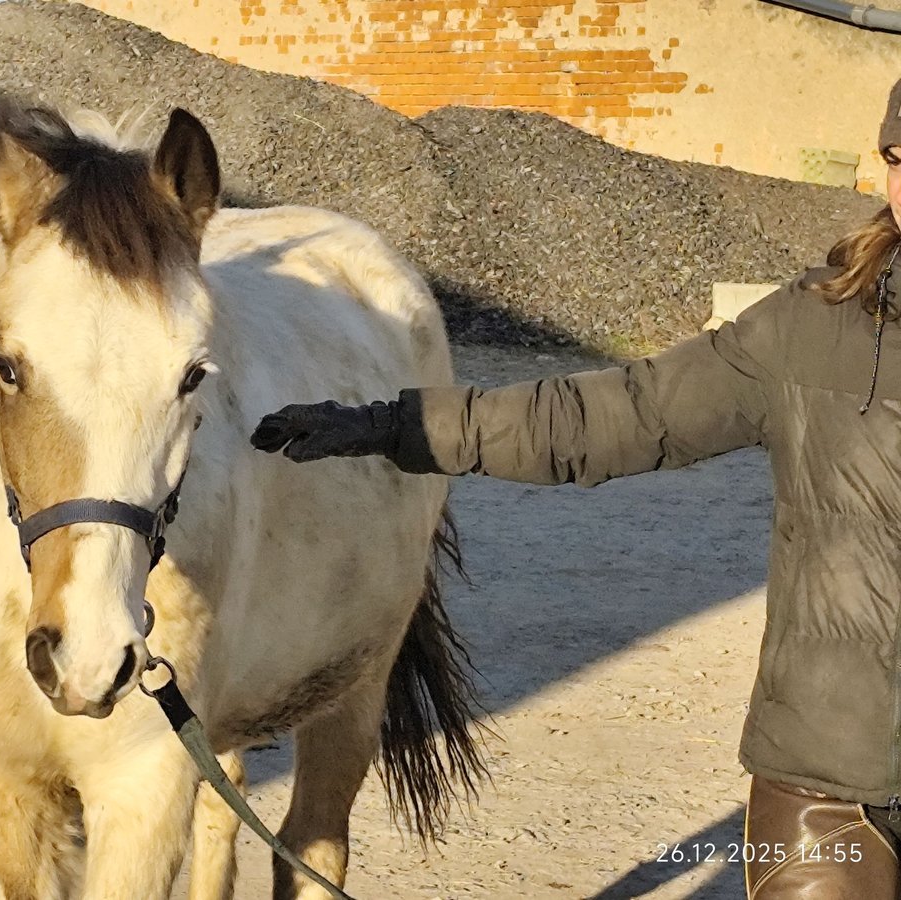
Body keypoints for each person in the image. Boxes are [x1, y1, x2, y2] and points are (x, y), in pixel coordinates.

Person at [250, 81, 901, 898]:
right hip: (828, 789)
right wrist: (398, 427)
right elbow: (613, 414)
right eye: (899, 156)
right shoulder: (812, 325)